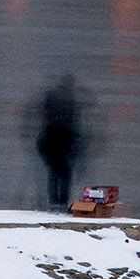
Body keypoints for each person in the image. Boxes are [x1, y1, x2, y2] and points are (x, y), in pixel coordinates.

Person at [32, 78, 89, 209]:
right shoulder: (69, 104)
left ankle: (55, 202)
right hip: (62, 143)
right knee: (64, 173)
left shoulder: (51, 101)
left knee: (55, 173)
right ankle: (61, 203)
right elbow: (74, 124)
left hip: (51, 142)